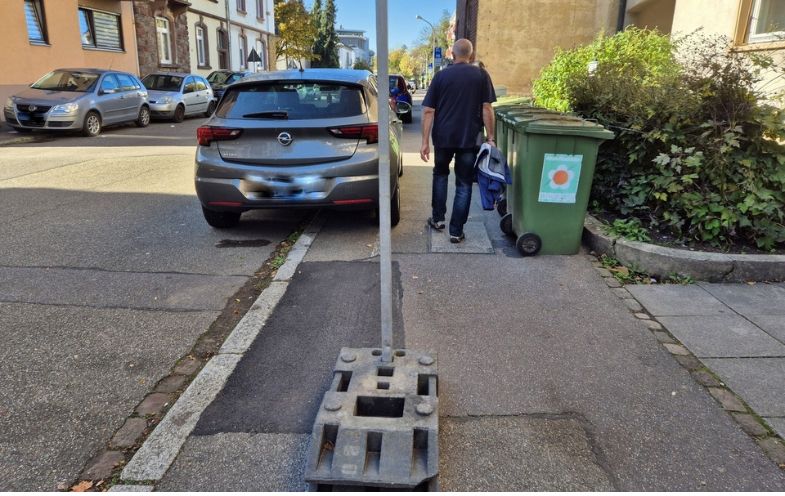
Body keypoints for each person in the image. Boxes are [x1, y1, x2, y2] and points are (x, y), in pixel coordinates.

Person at [420, 38, 496, 243]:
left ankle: (438, 220)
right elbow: (487, 108)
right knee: (463, 184)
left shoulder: (440, 76)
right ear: (470, 55)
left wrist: (425, 142)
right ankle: (455, 231)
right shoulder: (481, 75)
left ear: (452, 54)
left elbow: (428, 111)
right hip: (469, 139)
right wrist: (490, 138)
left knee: (440, 175)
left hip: (443, 138)